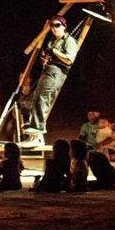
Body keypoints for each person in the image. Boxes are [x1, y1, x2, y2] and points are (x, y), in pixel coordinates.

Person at [23, 15, 78, 144]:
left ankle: (37, 130)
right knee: (35, 98)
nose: (54, 28)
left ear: (64, 26)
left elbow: (69, 60)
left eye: (57, 25)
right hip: (47, 71)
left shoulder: (69, 41)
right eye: (52, 25)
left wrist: (53, 51)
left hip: (57, 73)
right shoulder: (51, 41)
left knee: (42, 99)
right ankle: (35, 136)